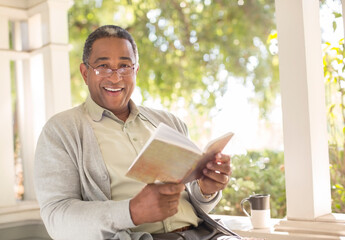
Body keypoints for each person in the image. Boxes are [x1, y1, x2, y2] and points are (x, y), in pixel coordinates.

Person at [34, 25, 239, 240]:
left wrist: (206, 190)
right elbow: (56, 218)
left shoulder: (170, 123)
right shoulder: (61, 130)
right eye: (103, 66)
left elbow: (193, 204)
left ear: (135, 71)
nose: (115, 78)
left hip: (204, 235)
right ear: (85, 73)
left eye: (124, 66)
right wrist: (132, 211)